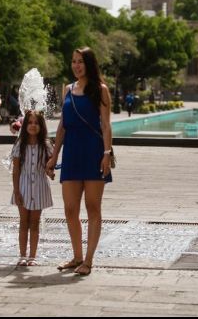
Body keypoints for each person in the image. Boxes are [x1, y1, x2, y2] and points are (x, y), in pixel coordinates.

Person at [47, 47, 113, 277]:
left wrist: (106, 153)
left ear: (89, 64)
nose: (76, 65)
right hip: (72, 153)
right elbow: (63, 125)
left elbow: (106, 125)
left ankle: (88, 260)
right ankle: (76, 256)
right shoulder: (67, 90)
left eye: (80, 62)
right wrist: (54, 155)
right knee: (70, 208)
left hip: (94, 152)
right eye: (73, 61)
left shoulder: (100, 90)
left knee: (93, 208)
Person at [11, 110, 54, 267]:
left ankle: (32, 256)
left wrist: (50, 172)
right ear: (25, 125)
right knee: (24, 222)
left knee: (35, 222)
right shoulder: (19, 145)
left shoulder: (46, 145)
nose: (33, 125)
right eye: (29, 122)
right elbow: (15, 170)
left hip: (40, 187)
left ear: (41, 126)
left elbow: (49, 167)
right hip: (23, 186)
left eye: (36, 123)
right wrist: (16, 191)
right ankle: (22, 255)